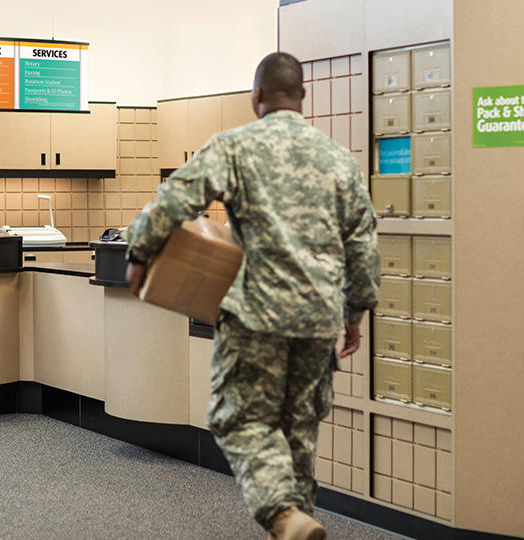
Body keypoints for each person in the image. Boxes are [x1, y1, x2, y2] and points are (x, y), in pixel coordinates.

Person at [124, 52, 380, 540]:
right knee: (297, 434)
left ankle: (281, 514)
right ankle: (295, 525)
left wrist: (139, 252)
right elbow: (363, 240)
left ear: (256, 96)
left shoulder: (236, 146)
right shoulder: (337, 159)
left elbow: (176, 198)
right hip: (319, 318)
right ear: (302, 97)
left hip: (258, 313)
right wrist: (355, 312)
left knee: (238, 418)